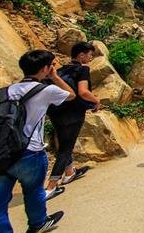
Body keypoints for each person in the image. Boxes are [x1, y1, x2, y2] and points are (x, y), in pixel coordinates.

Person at [0, 50, 75, 233]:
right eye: (51, 66)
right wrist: (55, 77)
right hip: (29, 152)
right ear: (45, 69)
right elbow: (71, 95)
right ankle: (38, 223)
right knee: (33, 191)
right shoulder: (45, 91)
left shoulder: (0, 94)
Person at [44, 42, 101, 200]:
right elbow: (83, 92)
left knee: (64, 143)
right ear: (81, 55)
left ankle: (69, 173)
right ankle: (51, 187)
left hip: (56, 113)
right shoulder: (82, 69)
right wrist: (96, 101)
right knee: (66, 149)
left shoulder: (61, 70)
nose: (90, 58)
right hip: (73, 114)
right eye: (89, 55)